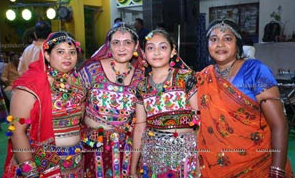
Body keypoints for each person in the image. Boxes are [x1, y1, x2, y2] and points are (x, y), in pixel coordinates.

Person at [196, 19, 293, 177]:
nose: (220, 44)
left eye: (227, 38)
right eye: (214, 39)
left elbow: (279, 124)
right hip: (216, 168)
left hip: (258, 165)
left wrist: (277, 170)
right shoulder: (204, 76)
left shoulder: (255, 71)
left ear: (238, 44)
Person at [3, 32, 86, 177]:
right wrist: (30, 171)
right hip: (41, 164)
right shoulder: (30, 86)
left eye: (72, 52)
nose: (68, 56)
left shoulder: (77, 82)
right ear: (47, 55)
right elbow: (17, 131)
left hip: (75, 163)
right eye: (60, 52)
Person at [130, 29, 200, 178]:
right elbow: (140, 127)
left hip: (185, 157)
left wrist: (199, 164)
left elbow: (198, 122)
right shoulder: (142, 86)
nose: (156, 52)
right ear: (143, 53)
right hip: (153, 158)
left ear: (173, 50)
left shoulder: (186, 78)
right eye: (150, 48)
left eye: (162, 47)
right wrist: (133, 169)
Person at [78, 23, 145, 178]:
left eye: (127, 42)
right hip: (94, 144)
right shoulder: (91, 70)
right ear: (109, 46)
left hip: (125, 147)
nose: (121, 48)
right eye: (116, 43)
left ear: (135, 46)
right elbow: (75, 108)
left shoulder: (141, 78)